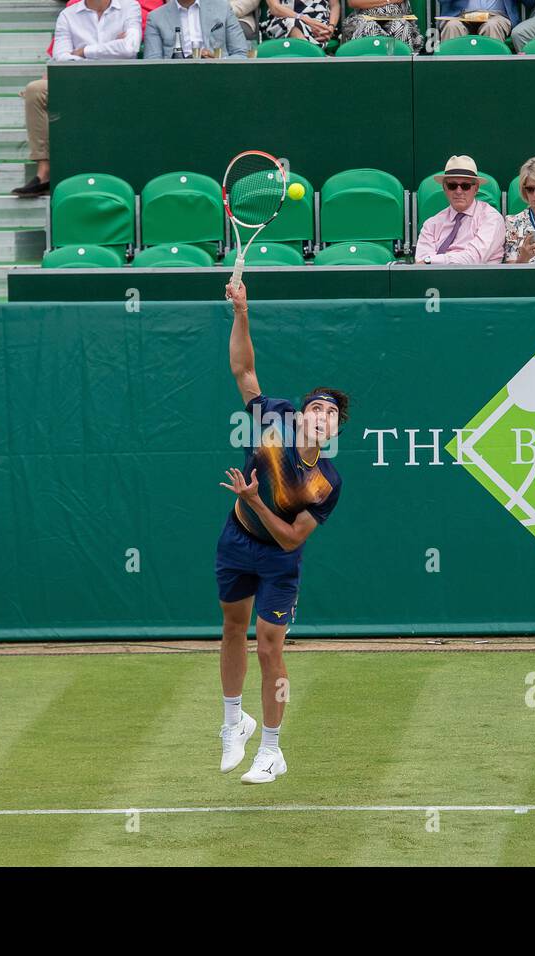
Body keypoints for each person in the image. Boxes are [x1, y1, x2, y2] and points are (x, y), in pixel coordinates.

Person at [216, 280, 347, 785]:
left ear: (334, 431)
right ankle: (233, 722)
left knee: (269, 645)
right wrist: (242, 311)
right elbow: (244, 371)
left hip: (277, 558)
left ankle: (271, 749)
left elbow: (293, 538)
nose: (321, 415)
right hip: (235, 539)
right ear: (302, 414)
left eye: (331, 414)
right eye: (316, 407)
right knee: (231, 628)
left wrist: (252, 500)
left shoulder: (326, 483)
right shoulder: (274, 418)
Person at [14, 0, 142, 198]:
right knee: (35, 90)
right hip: (78, 83)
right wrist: (110, 49)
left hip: (119, 84)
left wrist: (84, 51)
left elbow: (130, 47)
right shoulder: (68, 15)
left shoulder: (129, 7)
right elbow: (61, 57)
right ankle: (44, 172)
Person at [415, 154, 506, 264]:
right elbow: (421, 264)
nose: (458, 191)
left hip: (480, 279)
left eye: (465, 186)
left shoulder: (491, 218)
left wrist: (431, 260)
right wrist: (429, 261)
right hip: (436, 279)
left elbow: (474, 258)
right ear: (445, 188)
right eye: (452, 186)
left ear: (476, 188)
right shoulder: (431, 224)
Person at [143, 0, 250, 58]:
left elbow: (240, 53)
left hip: (218, 76)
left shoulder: (222, 7)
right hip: (174, 80)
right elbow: (152, 62)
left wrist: (218, 61)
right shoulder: (156, 17)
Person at [341, 0, 423, 52]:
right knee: (369, 28)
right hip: (364, 18)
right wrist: (388, 1)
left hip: (398, 17)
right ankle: (370, 67)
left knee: (400, 26)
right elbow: (353, 2)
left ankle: (398, 67)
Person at [259, 0, 336, 47]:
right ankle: (312, 56)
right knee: (294, 24)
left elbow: (335, 5)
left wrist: (331, 27)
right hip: (284, 18)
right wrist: (306, 20)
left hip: (319, 22)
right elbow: (274, 8)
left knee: (317, 29)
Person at [437, 0, 520, 43]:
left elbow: (529, 2)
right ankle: (451, 72)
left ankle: (492, 71)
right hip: (461, 14)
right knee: (452, 26)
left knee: (492, 26)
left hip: (496, 15)